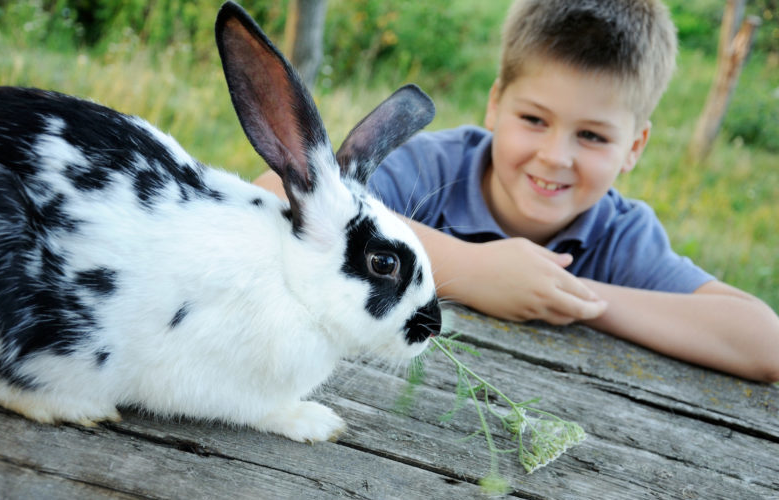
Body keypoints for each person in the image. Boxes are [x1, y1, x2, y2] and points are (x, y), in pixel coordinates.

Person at [255, 0, 779, 382]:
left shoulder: (620, 234)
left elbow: (763, 341)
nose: (555, 155)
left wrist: (571, 298)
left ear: (636, 146)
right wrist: (476, 270)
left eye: (592, 135)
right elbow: (276, 197)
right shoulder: (437, 168)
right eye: (533, 119)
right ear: (495, 105)